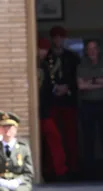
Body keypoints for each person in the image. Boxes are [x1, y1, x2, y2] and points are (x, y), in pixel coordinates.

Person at [47, 26, 81, 178]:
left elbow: (78, 77)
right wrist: (55, 88)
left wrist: (67, 87)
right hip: (52, 102)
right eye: (55, 37)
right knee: (53, 137)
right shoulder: (47, 56)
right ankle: (53, 169)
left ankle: (72, 168)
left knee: (70, 136)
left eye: (61, 37)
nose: (58, 40)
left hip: (69, 101)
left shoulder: (72, 57)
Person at [77, 40, 103, 180]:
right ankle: (89, 173)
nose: (92, 51)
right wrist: (99, 82)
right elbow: (81, 86)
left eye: (94, 48)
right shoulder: (81, 65)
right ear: (86, 51)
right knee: (88, 139)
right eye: (89, 49)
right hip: (87, 105)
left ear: (98, 49)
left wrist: (90, 82)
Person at [37, 37, 68, 181]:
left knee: (52, 140)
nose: (43, 52)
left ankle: (58, 171)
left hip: (46, 110)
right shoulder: (36, 66)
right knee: (52, 139)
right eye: (41, 49)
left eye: (45, 49)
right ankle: (57, 172)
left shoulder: (44, 65)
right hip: (40, 111)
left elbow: (48, 86)